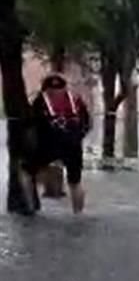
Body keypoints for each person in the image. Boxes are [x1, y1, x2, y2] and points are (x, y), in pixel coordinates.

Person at [25, 73, 91, 214]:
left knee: (28, 174)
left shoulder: (40, 101)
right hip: (73, 144)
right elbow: (87, 123)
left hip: (49, 145)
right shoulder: (76, 100)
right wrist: (78, 137)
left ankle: (30, 208)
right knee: (75, 182)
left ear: (45, 88)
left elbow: (32, 124)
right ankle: (79, 214)